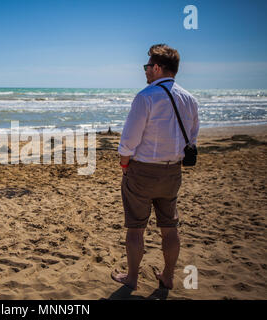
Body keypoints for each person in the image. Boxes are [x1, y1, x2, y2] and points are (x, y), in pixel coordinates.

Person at [112, 44, 199, 290]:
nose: (146, 71)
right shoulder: (189, 99)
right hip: (172, 171)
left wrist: (124, 164)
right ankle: (168, 276)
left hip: (143, 170)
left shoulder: (145, 96)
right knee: (169, 227)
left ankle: (131, 278)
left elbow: (128, 140)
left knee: (136, 228)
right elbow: (192, 138)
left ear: (158, 67)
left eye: (147, 66)